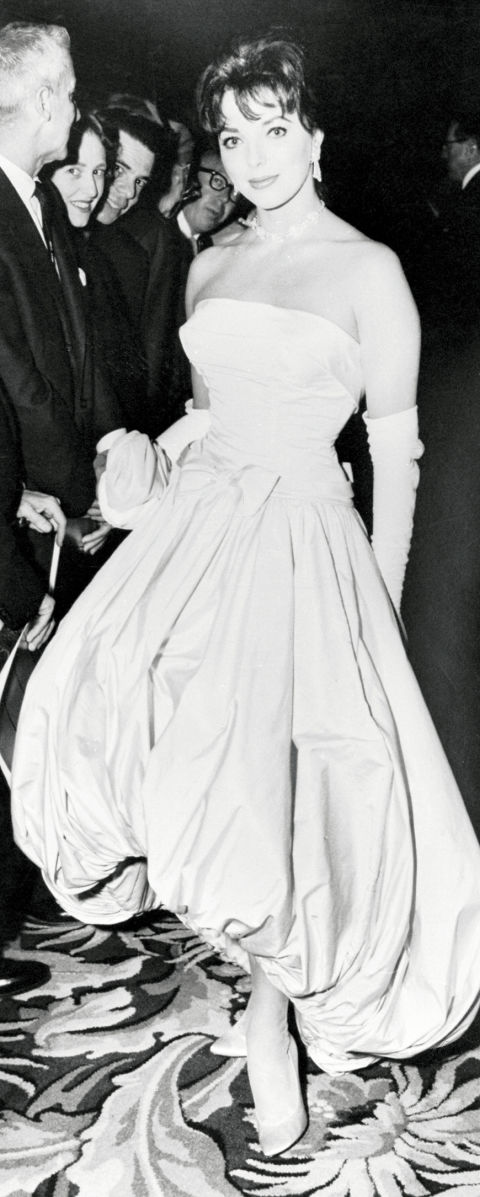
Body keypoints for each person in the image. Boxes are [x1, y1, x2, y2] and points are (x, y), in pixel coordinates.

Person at [11, 33, 480, 1160]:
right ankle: (252, 967)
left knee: (285, 795)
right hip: (203, 528)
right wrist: (146, 462)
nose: (255, 156)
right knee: (152, 740)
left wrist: (378, 605)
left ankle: (272, 1013)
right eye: (233, 136)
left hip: (307, 541)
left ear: (315, 136)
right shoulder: (209, 264)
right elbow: (204, 415)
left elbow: (397, 454)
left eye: (275, 128)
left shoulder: (372, 271)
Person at [0, 20, 122, 615]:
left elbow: (78, 343)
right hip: (26, 500)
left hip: (55, 497)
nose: (75, 112)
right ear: (46, 101)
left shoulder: (41, 200)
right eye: (71, 96)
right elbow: (17, 377)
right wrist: (79, 488)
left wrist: (108, 456)